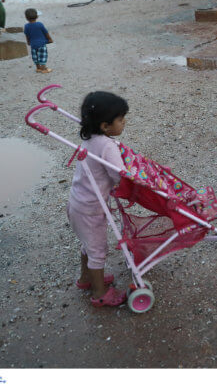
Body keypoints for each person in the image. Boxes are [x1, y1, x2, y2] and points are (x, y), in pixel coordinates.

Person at [68, 91, 129, 307]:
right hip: (92, 209)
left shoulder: (90, 138)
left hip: (77, 204)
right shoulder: (107, 146)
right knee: (97, 250)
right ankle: (100, 293)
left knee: (88, 245)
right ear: (105, 126)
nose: (124, 123)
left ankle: (86, 279)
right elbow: (118, 175)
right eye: (121, 120)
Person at [23, 8, 53, 73]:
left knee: (35, 56)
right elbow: (45, 32)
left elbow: (27, 35)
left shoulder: (26, 26)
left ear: (26, 18)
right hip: (41, 44)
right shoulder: (40, 24)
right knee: (42, 56)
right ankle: (44, 69)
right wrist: (50, 39)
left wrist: (28, 42)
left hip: (33, 44)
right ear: (37, 16)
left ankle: (38, 68)